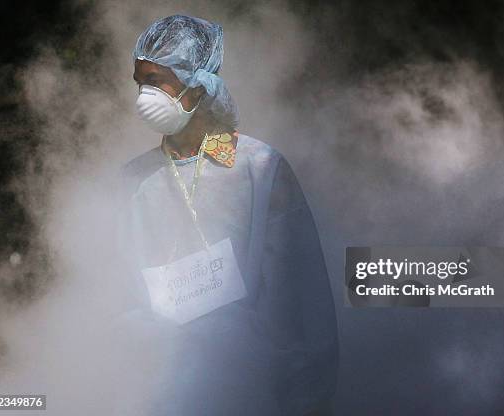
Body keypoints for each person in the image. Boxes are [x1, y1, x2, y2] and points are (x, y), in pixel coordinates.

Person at [113, 15, 338, 416]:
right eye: (139, 81)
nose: (143, 95)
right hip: (153, 393)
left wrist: (306, 400)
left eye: (156, 80)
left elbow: (299, 300)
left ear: (197, 84)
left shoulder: (259, 167)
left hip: (248, 393)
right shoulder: (133, 182)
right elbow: (114, 292)